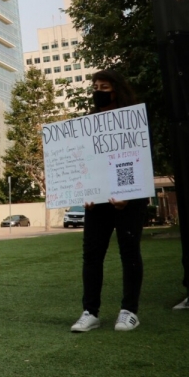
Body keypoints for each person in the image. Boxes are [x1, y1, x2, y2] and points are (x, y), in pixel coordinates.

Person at [71, 69, 147, 333]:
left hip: (131, 200)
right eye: (95, 87)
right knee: (92, 255)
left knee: (129, 252)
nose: (98, 93)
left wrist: (128, 194)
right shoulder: (89, 123)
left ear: (117, 90)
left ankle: (129, 311)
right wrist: (87, 194)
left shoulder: (133, 120)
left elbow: (138, 159)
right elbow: (85, 163)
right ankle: (90, 312)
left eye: (104, 87)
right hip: (98, 202)